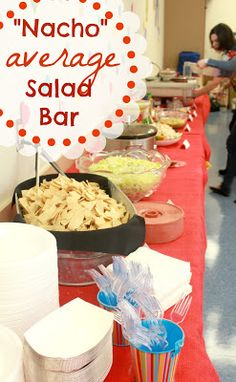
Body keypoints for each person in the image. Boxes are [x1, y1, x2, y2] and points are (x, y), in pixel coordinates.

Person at [194, 23, 236, 199]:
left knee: (233, 143)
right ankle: (229, 171)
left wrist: (208, 61)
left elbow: (229, 67)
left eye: (216, 41)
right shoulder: (228, 55)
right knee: (232, 136)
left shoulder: (233, 55)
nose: (214, 45)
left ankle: (226, 185)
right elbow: (218, 78)